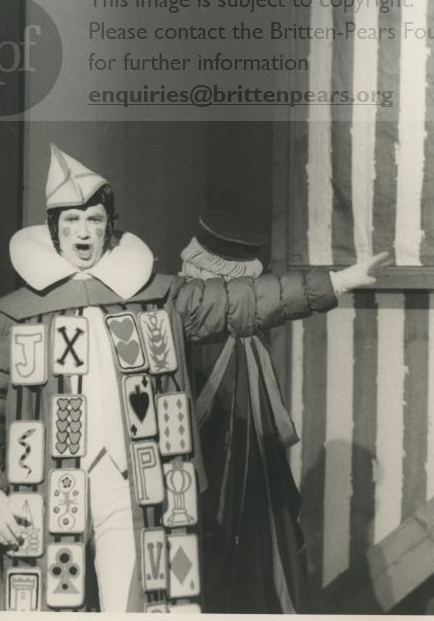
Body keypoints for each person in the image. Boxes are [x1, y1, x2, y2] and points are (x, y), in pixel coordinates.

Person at [0, 144, 389, 612]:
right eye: (72, 222)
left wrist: (338, 282)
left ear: (110, 226)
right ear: (55, 231)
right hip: (43, 490)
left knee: (140, 603)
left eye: (95, 220)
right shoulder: (8, 317)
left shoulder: (157, 295)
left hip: (131, 488)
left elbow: (238, 300)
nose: (84, 233)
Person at [178, 210, 306, 613]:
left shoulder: (207, 333)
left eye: (191, 267)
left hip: (225, 474)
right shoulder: (245, 331)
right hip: (237, 474)